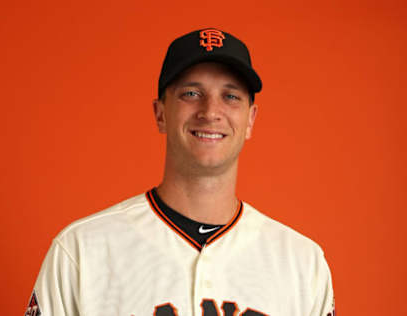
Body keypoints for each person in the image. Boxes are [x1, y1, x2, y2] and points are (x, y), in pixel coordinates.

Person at [24, 28, 335, 316]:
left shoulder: (303, 264)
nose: (210, 111)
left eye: (230, 96)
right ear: (161, 113)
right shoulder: (82, 250)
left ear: (250, 119)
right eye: (191, 93)